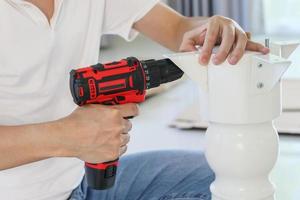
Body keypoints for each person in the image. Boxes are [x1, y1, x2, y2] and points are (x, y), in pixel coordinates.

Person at [0, 0, 269, 200]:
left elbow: (176, 27)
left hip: (78, 185)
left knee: (225, 179)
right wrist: (65, 137)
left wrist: (211, 30)